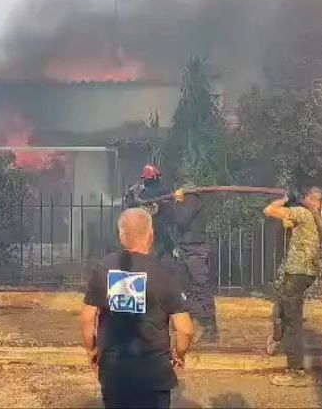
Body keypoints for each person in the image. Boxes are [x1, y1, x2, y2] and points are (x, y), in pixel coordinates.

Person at [80, 208, 195, 409]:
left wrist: (92, 351)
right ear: (151, 235)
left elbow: (87, 319)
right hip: (154, 372)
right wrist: (179, 355)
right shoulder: (166, 273)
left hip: (114, 370)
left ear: (121, 236)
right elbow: (185, 329)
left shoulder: (103, 268)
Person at [123, 164, 219, 344]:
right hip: (185, 248)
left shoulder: (192, 198)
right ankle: (190, 323)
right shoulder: (169, 195)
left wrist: (177, 201)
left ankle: (208, 327)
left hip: (196, 249)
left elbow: (180, 220)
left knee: (200, 287)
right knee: (183, 287)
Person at [262, 186, 322, 381]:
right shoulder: (319, 221)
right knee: (281, 307)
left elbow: (268, 210)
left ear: (319, 203)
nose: (307, 199)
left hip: (297, 273)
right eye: (307, 196)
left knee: (293, 322)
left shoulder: (303, 212)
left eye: (311, 197)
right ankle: (276, 339)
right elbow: (286, 223)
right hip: (304, 274)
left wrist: (284, 199)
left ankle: (296, 371)